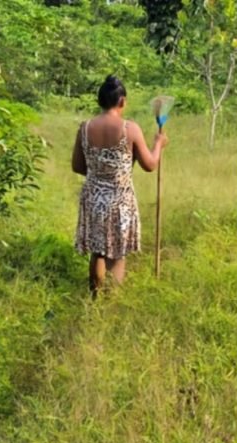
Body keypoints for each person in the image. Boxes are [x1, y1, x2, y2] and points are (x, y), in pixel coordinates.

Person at [72, 75, 168, 296]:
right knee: (117, 253)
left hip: (93, 198)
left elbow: (78, 166)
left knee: (98, 251)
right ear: (122, 101)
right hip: (119, 201)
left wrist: (99, 173)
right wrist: (159, 144)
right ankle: (111, 301)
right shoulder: (130, 129)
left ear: (100, 101)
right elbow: (150, 165)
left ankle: (95, 297)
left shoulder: (85, 128)